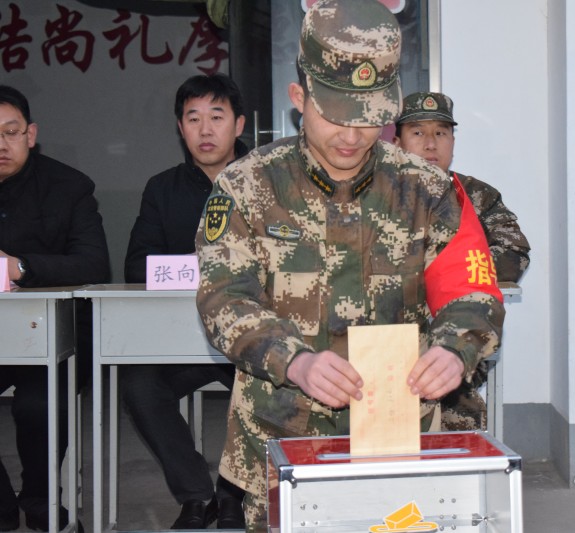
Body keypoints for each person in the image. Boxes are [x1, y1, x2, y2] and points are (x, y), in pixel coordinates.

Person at [193, 0, 505, 530]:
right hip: (281, 437)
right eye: (335, 114)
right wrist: (295, 361)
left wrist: (454, 350)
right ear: (299, 98)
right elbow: (224, 296)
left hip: (404, 434)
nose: (352, 135)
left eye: (368, 117)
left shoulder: (428, 190)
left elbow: (472, 293)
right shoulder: (248, 186)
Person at [122, 74, 247, 530]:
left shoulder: (269, 182)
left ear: (238, 125)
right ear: (180, 128)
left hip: (251, 337)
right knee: (139, 386)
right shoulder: (162, 188)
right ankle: (196, 495)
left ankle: (235, 494)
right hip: (183, 338)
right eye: (194, 119)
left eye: (217, 117)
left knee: (260, 384)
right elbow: (137, 266)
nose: (205, 129)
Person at [0, 85, 110, 532]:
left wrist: (21, 267)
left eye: (11, 132)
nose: (1, 145)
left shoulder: (68, 187)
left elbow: (94, 263)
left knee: (37, 404)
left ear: (31, 134)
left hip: (56, 335)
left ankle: (41, 498)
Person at [394, 91, 531, 431]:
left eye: (441, 133)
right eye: (418, 132)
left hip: (452, 342)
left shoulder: (474, 194)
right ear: (396, 142)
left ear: (453, 141)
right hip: (390, 342)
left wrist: (451, 272)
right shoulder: (377, 195)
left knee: (461, 437)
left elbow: (514, 251)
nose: (430, 144)